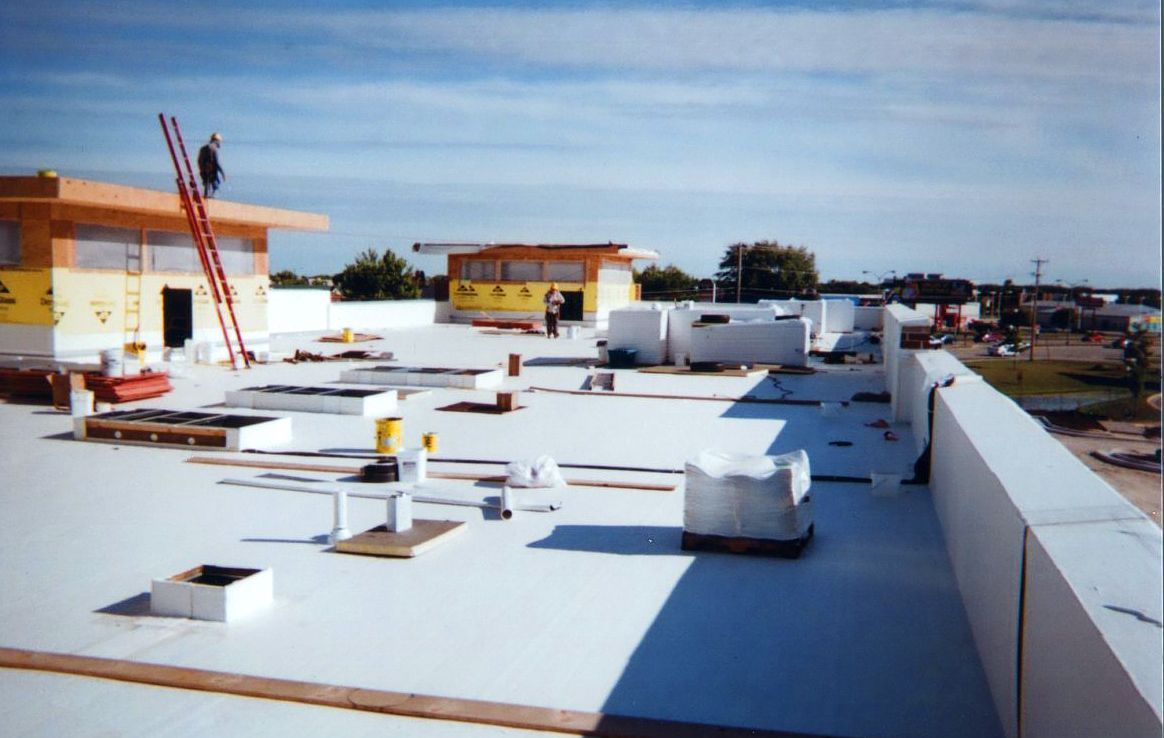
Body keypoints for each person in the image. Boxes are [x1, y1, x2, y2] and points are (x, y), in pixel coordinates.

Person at [197, 132, 225, 198]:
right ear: (217, 141)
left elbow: (199, 160)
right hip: (211, 170)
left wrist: (202, 168)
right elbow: (216, 162)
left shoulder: (203, 148)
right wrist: (222, 172)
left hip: (203, 169)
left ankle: (206, 194)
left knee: (206, 183)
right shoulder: (213, 148)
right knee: (215, 183)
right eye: (219, 142)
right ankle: (212, 195)